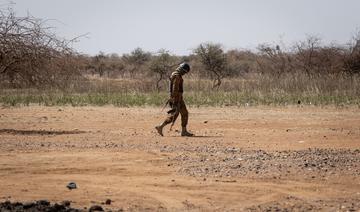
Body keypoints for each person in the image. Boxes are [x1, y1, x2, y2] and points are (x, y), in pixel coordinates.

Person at [155, 62, 194, 137]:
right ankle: (160, 127)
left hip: (177, 98)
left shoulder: (175, 74)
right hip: (176, 98)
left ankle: (184, 131)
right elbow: (175, 89)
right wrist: (176, 100)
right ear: (183, 70)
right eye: (184, 72)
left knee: (184, 113)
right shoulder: (177, 76)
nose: (184, 74)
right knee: (174, 115)